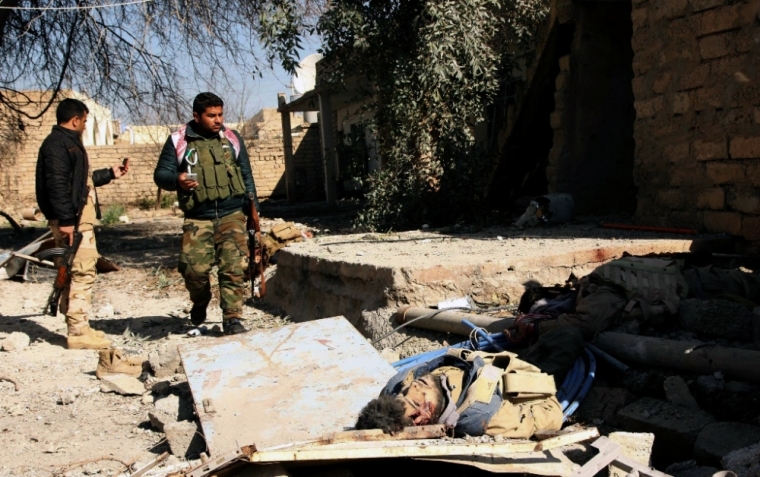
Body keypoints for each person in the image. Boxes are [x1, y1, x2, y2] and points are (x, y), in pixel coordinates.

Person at [153, 92, 259, 335]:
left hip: (232, 213)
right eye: (211, 115)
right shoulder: (178, 140)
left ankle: (232, 319)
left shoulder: (232, 138)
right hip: (197, 217)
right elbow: (161, 175)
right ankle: (200, 301)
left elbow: (246, 174)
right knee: (193, 270)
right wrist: (177, 179)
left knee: (232, 268)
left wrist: (254, 211)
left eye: (220, 114)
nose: (218, 120)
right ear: (196, 116)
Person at [35, 98, 130, 349]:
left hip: (75, 220)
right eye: (85, 121)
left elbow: (80, 182)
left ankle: (77, 327)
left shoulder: (66, 144)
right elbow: (56, 185)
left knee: (72, 271)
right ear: (75, 120)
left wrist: (110, 173)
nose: (85, 126)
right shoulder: (59, 145)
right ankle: (78, 332)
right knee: (83, 271)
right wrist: (67, 220)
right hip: (73, 223)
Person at [356, 342, 574, 439]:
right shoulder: (480, 413)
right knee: (567, 337)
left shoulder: (398, 383)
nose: (411, 388)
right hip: (524, 370)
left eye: (401, 395)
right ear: (423, 420)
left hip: (491, 353)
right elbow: (550, 415)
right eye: (413, 402)